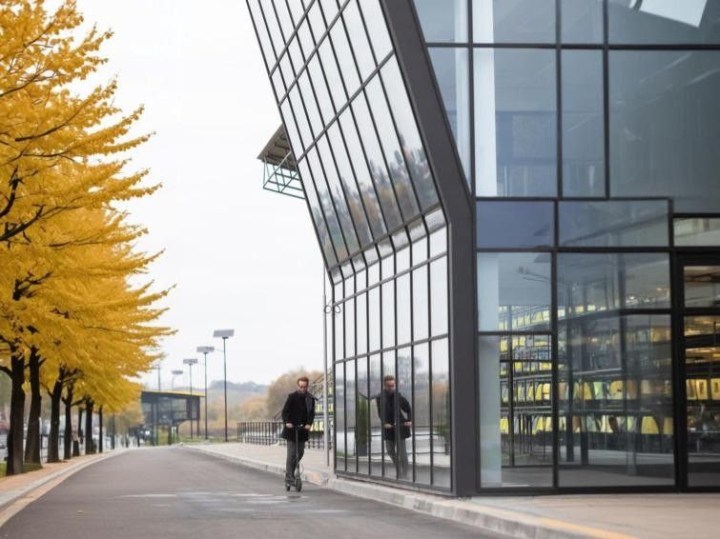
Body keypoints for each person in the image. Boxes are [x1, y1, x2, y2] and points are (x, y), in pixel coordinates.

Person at [281, 376, 316, 485]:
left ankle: (290, 473)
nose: (303, 389)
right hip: (291, 429)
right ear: (298, 386)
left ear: (307, 386)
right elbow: (284, 412)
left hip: (302, 430)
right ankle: (289, 477)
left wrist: (309, 424)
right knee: (291, 454)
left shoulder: (310, 398)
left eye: (305, 387)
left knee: (300, 452)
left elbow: (311, 413)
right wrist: (287, 422)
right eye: (301, 386)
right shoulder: (292, 397)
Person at [376, 374, 412, 479]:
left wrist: (409, 420)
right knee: (390, 451)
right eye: (389, 386)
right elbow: (380, 413)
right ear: (384, 385)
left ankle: (404, 474)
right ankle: (399, 469)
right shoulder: (380, 398)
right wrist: (384, 423)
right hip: (388, 428)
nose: (391, 388)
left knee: (402, 452)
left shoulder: (398, 397)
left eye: (392, 385)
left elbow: (408, 409)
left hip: (399, 427)